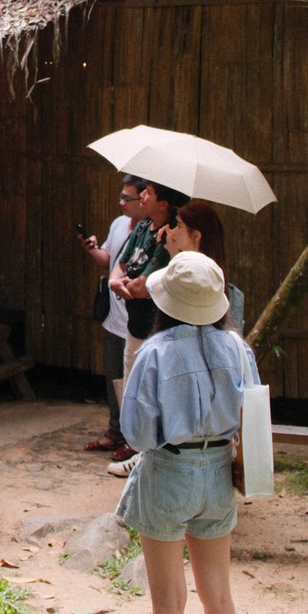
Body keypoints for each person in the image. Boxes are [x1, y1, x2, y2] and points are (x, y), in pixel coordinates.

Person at [116, 250, 260, 614]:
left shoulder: (154, 352)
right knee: (218, 595)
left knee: (168, 601)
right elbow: (253, 412)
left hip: (168, 474)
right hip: (219, 474)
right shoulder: (238, 349)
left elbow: (135, 433)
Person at [108, 178, 189, 477]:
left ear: (163, 204)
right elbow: (120, 265)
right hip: (135, 323)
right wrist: (118, 280)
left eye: (148, 192)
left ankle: (151, 455)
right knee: (131, 386)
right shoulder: (142, 228)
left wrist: (125, 283)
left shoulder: (170, 235)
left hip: (159, 327)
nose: (141, 196)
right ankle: (136, 449)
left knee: (154, 390)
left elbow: (145, 285)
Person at [80, 176, 148, 457]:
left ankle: (135, 439)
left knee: (136, 381)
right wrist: (93, 249)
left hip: (138, 319)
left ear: (145, 199)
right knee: (113, 378)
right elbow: (110, 260)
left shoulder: (149, 232)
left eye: (127, 198)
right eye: (121, 196)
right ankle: (115, 430)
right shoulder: (119, 224)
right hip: (114, 317)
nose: (121, 203)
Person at [162, 201, 244, 332]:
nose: (173, 231)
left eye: (179, 225)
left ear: (196, 235)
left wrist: (173, 253)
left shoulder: (225, 291)